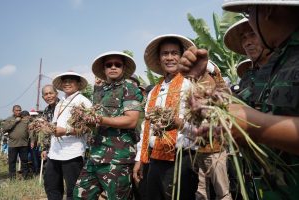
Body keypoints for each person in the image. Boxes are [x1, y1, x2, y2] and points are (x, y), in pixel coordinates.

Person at [179, 1, 299, 199]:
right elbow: (232, 107)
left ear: (267, 10)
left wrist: (255, 126)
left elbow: (246, 119)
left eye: (248, 11)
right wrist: (202, 78)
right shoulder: (267, 68)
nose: (250, 26)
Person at [133, 34, 201, 200]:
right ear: (159, 58)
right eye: (165, 53)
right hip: (154, 158)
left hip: (182, 159)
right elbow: (146, 127)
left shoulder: (191, 85)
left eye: (174, 53)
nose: (169, 57)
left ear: (182, 56)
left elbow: (203, 129)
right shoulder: (155, 90)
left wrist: (179, 124)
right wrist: (139, 159)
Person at [73, 51, 143, 200]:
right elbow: (94, 123)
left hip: (118, 158)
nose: (113, 67)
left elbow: (131, 120)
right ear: (104, 69)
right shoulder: (99, 92)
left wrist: (100, 119)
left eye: (117, 64)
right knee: (80, 195)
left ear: (123, 69)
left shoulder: (130, 88)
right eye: (109, 65)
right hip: (95, 155)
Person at [44, 71, 92, 200]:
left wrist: (66, 131)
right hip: (54, 152)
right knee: (51, 186)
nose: (67, 83)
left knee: (73, 190)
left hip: (72, 153)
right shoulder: (61, 102)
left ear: (78, 83)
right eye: (65, 81)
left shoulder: (84, 101)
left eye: (71, 80)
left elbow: (90, 127)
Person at [223, 18, 271, 105]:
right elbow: (240, 100)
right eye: (243, 38)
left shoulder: (289, 68)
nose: (247, 43)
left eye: (253, 34)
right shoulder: (248, 77)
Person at [2, 105, 30, 180]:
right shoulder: (9, 119)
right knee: (12, 162)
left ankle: (25, 177)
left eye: (19, 110)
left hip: (24, 144)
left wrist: (32, 140)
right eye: (16, 110)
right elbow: (5, 129)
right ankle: (12, 178)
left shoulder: (25, 119)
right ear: (13, 111)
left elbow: (30, 130)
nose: (18, 112)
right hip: (13, 144)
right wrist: (15, 121)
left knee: (24, 161)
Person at [40, 84, 60, 160]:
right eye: (46, 94)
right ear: (43, 97)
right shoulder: (46, 111)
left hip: (65, 148)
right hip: (51, 150)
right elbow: (45, 132)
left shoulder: (64, 107)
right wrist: (45, 149)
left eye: (51, 93)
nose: (48, 96)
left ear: (56, 93)